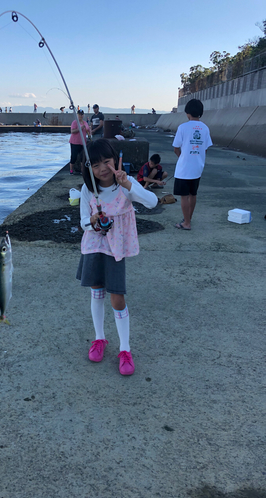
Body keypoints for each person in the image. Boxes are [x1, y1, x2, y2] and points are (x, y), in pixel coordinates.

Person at [76, 139, 158, 375]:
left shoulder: (126, 184)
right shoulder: (87, 189)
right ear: (88, 168)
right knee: (96, 291)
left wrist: (129, 186)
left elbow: (152, 202)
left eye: (107, 161)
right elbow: (83, 222)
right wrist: (93, 222)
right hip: (94, 246)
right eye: (95, 164)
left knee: (117, 298)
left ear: (116, 160)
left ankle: (125, 348)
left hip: (116, 250)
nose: (102, 168)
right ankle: (99, 338)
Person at [172, 99, 212, 230]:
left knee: (184, 196)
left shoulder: (183, 127)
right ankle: (188, 218)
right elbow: (205, 148)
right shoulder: (205, 128)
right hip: (197, 167)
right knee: (193, 194)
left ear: (187, 113)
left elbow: (176, 148)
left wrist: (182, 157)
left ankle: (186, 223)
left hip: (184, 168)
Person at [69, 110, 91, 175]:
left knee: (83, 157)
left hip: (83, 142)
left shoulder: (85, 123)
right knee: (74, 156)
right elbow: (72, 131)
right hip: (74, 142)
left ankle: (82, 170)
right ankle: (71, 170)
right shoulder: (75, 122)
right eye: (79, 114)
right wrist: (80, 128)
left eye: (82, 114)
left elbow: (88, 130)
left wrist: (89, 134)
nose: (81, 116)